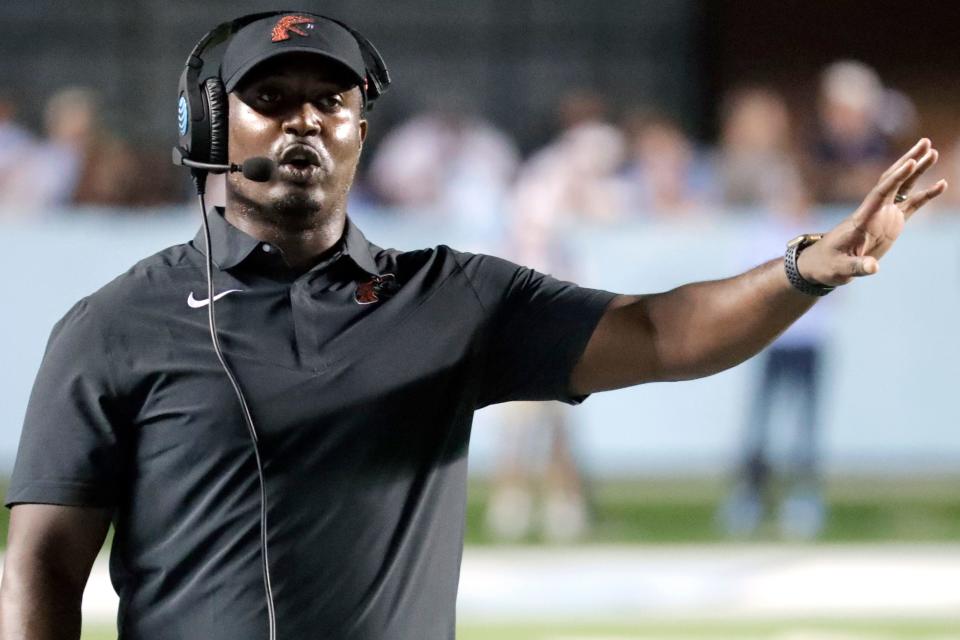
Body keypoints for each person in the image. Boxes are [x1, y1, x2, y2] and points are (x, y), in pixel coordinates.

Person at [0, 11, 948, 640]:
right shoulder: (113, 327)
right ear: (209, 129)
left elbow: (664, 334)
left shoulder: (449, 297)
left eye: (331, 102)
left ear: (361, 131)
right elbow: (42, 566)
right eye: (272, 100)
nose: (306, 123)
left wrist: (805, 269)